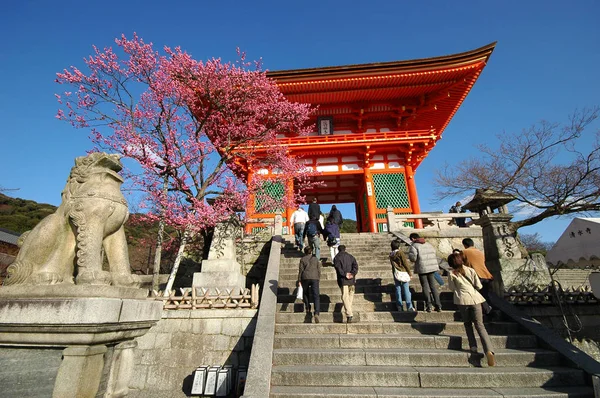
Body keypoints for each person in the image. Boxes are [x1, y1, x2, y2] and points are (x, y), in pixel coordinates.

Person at [447, 252, 496, 367]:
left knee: (468, 323)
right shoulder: (470, 270)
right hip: (475, 299)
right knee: (480, 325)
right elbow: (479, 286)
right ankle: (489, 350)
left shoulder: (452, 274)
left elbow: (452, 288)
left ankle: (473, 346)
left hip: (462, 300)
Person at [408, 233, 442, 312]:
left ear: (413, 239)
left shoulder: (414, 246)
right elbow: (434, 253)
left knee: (425, 286)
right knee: (433, 286)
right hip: (432, 267)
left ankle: (429, 305)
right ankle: (438, 305)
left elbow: (413, 258)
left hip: (422, 267)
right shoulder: (428, 244)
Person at [462, 238, 494, 313]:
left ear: (464, 245)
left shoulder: (464, 252)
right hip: (486, 275)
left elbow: (460, 263)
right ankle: (491, 310)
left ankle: (487, 310)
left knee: (478, 295)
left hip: (476, 275)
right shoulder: (479, 252)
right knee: (485, 295)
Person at [333, 245, 358, 323]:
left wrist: (345, 274)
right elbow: (356, 266)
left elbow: (338, 268)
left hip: (343, 280)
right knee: (350, 295)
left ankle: (349, 314)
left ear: (338, 250)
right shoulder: (351, 256)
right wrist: (352, 274)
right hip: (352, 279)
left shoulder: (336, 258)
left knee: (345, 296)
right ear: (345, 249)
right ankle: (349, 310)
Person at [297, 246, 322, 323]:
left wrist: (299, 280)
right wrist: (318, 277)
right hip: (315, 277)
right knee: (316, 295)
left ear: (305, 252)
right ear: (311, 252)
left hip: (305, 277)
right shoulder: (315, 259)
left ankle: (308, 307)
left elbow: (301, 270)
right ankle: (317, 312)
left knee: (305, 293)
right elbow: (319, 269)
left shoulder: (302, 259)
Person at [390, 239, 414, 311]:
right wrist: (409, 273)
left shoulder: (391, 254)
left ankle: (399, 306)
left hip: (396, 273)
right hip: (403, 272)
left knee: (398, 289)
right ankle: (409, 306)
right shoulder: (400, 253)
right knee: (406, 289)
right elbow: (405, 263)